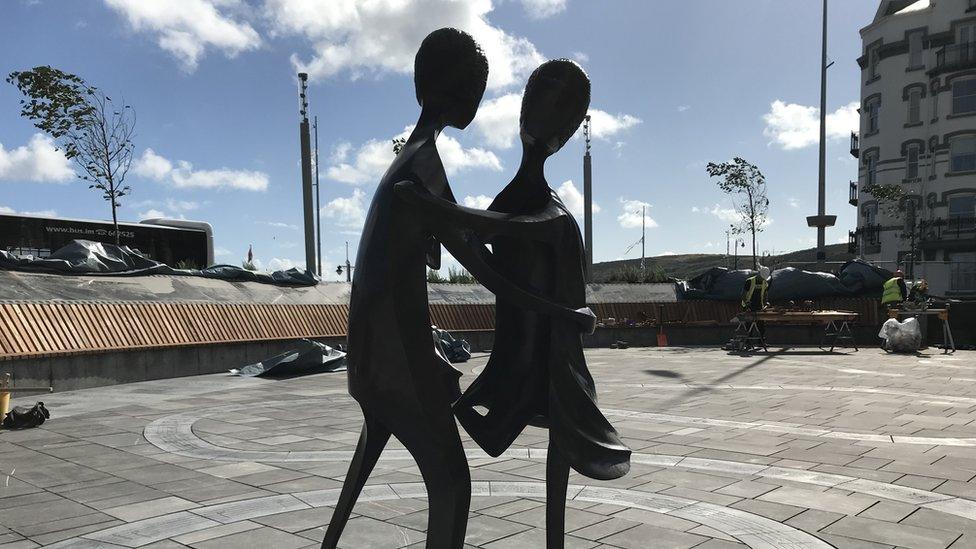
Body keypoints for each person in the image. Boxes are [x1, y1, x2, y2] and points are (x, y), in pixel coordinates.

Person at [322, 29, 592, 549]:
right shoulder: (422, 168)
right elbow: (490, 273)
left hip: (377, 359)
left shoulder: (410, 160)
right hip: (396, 365)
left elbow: (454, 243)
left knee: (392, 462)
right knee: (453, 486)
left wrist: (440, 220)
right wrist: (565, 311)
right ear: (467, 95)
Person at [396, 59, 631, 549]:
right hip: (517, 358)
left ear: (564, 134)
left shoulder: (553, 214)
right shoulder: (517, 196)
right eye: (533, 103)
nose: (535, 116)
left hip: (546, 365)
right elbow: (478, 249)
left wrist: (432, 208)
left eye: (552, 112)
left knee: (559, 446)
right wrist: (433, 220)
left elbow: (493, 232)